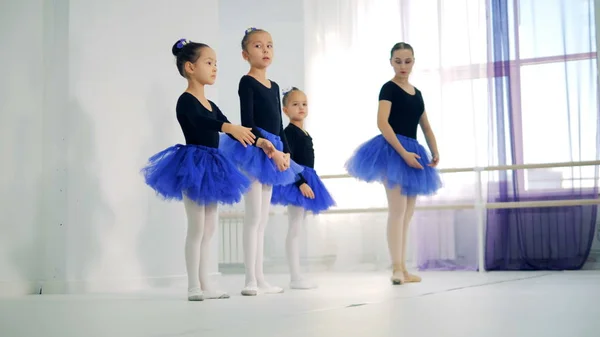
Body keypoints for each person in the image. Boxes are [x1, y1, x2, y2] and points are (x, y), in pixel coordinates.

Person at [141, 38, 256, 301]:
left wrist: (257, 140)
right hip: (194, 164)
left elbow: (224, 122)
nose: (215, 68)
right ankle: (193, 284)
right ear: (190, 68)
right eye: (209, 62)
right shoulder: (186, 100)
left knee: (210, 228)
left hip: (213, 166)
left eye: (216, 63)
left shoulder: (211, 104)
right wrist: (228, 128)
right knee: (196, 227)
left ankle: (206, 284)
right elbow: (203, 121)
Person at [345, 42, 442, 285]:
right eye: (398, 61)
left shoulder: (417, 93)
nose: (403, 66)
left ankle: (403, 267)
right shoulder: (388, 89)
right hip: (392, 151)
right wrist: (402, 153)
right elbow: (382, 123)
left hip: (414, 152)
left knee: (407, 215)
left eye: (407, 61)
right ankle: (396, 269)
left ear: (413, 62)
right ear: (391, 61)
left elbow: (426, 126)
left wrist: (435, 150)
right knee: (397, 212)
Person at [220, 27, 303, 296]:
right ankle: (249, 280)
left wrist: (286, 151)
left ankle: (260, 277)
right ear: (245, 54)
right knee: (253, 217)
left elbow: (279, 126)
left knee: (263, 219)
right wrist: (269, 148)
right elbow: (249, 123)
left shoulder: (275, 86)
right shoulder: (247, 83)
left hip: (274, 150)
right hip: (255, 149)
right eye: (258, 46)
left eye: (269, 45)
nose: (265, 50)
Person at [270, 87, 335, 289]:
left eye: (304, 104)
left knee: (298, 227)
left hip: (306, 178)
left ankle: (297, 275)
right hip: (296, 181)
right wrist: (300, 182)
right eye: (295, 104)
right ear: (285, 110)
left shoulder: (303, 132)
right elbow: (289, 161)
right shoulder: (289, 133)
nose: (301, 108)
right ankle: (295, 277)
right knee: (295, 228)